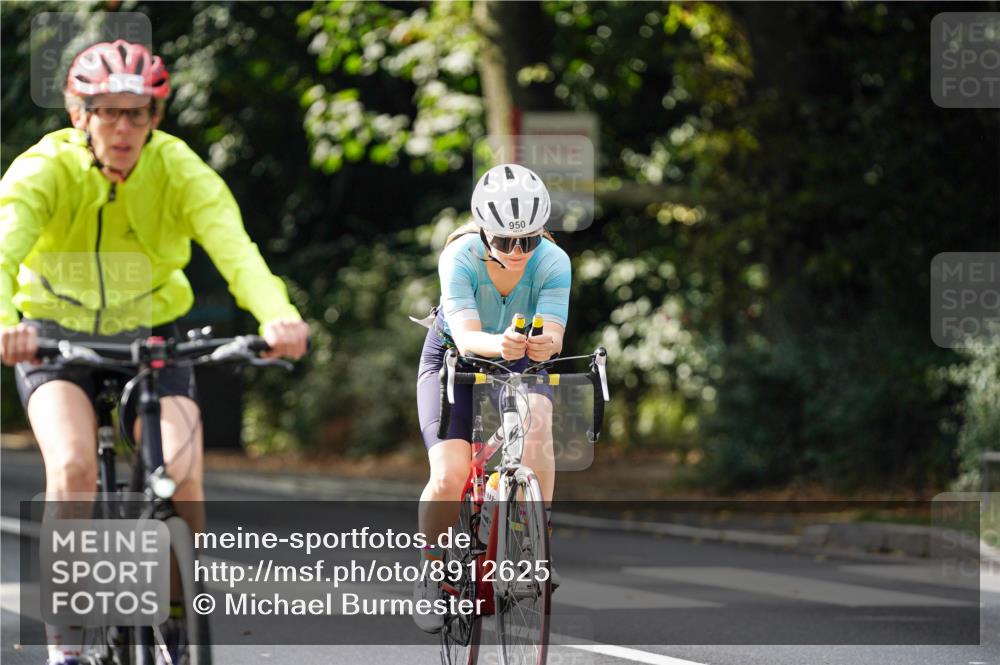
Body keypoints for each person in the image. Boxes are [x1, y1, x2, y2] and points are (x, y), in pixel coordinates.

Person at [0, 40, 309, 665]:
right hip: (56, 339)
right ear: (78, 113)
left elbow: (236, 249)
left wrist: (277, 315)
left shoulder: (177, 168)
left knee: (183, 471)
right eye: (107, 111)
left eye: (136, 113)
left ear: (155, 119)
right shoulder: (43, 171)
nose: (122, 127)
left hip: (152, 338)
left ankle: (173, 617)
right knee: (74, 471)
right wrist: (8, 322)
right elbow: (3, 250)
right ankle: (66, 638)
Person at [412, 163, 570, 632]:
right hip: (455, 357)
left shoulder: (554, 261)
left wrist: (547, 343)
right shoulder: (458, 257)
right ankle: (431, 570)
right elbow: (464, 336)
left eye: (530, 240)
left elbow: (555, 331)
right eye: (504, 242)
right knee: (451, 473)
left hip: (519, 352)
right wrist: (499, 344)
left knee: (538, 420)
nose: (518, 252)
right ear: (483, 232)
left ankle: (534, 543)